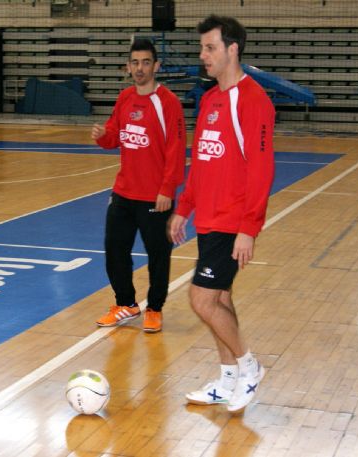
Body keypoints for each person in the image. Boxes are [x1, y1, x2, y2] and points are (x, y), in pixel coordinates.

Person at [169, 15, 275, 413]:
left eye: (210, 47)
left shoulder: (254, 101)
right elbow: (201, 161)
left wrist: (249, 227)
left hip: (233, 220)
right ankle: (228, 379)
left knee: (201, 300)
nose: (203, 55)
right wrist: (185, 208)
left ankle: (249, 367)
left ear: (232, 49)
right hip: (210, 219)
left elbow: (262, 170)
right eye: (202, 48)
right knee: (220, 299)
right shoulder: (211, 99)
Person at [92, 38, 186, 333]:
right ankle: (126, 304)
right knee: (114, 249)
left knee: (158, 256)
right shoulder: (125, 98)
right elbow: (114, 135)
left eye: (146, 62)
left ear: (156, 66)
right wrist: (102, 136)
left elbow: (176, 148)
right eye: (135, 63)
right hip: (123, 191)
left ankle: (154, 308)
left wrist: (167, 189)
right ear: (128, 67)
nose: (140, 68)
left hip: (155, 196)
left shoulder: (167, 102)